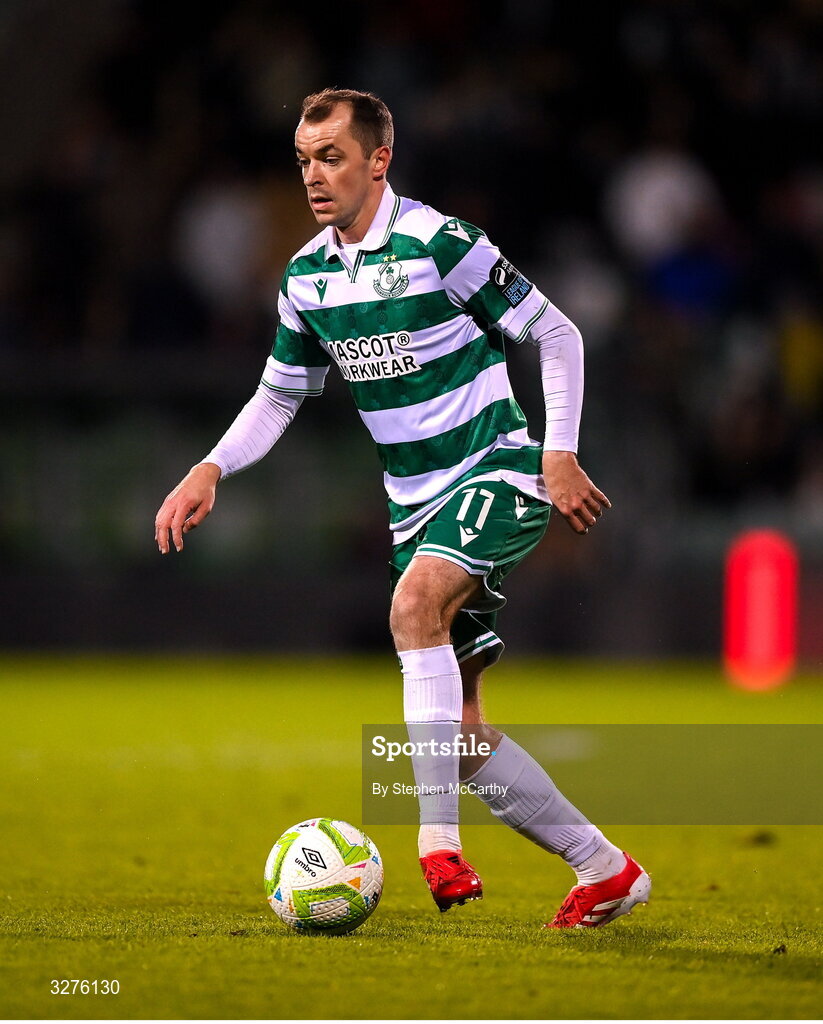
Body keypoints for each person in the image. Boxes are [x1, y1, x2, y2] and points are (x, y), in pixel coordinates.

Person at [154, 88, 651, 928]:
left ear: (378, 160)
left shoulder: (440, 243)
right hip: (413, 507)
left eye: (332, 157)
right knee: (461, 736)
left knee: (412, 605)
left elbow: (556, 333)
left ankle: (435, 843)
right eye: (304, 161)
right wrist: (209, 467)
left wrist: (557, 451)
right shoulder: (306, 278)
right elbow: (279, 395)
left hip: (497, 468)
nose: (314, 176)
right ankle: (605, 869)